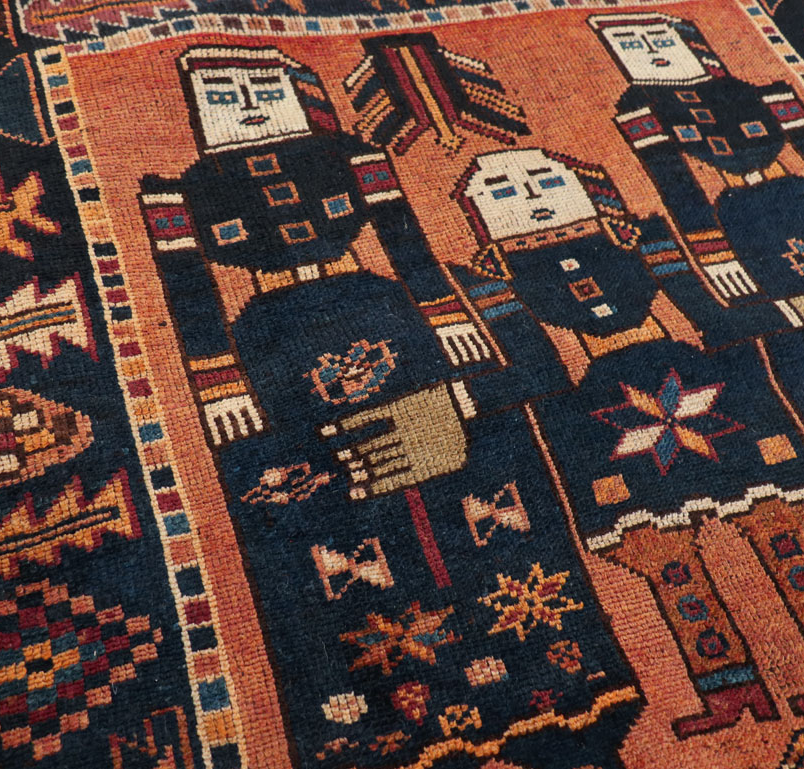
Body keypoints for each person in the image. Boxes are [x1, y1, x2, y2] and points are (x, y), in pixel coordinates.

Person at [138, 46, 641, 769]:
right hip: (273, 354)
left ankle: (569, 707)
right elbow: (190, 294)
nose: (246, 104)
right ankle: (379, 728)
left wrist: (450, 357)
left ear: (297, 93)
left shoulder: (356, 164)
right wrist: (220, 383)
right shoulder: (184, 194)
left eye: (262, 86)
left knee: (503, 536)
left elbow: (413, 247)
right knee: (326, 559)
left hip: (402, 329)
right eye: (222, 92)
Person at [452, 146, 804, 737]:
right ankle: (728, 687)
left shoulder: (646, 239)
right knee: (659, 553)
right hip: (599, 412)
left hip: (705, 382)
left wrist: (799, 317)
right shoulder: (492, 281)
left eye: (545, 180)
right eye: (503, 193)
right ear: (480, 217)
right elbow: (531, 366)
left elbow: (716, 312)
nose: (532, 199)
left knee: (777, 521)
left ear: (586, 186)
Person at [590, 11, 804, 716]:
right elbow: (675, 185)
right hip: (751, 248)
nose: (647, 51)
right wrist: (714, 260)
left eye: (657, 37)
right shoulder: (642, 108)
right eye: (629, 44)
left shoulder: (767, 92)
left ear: (692, 41)